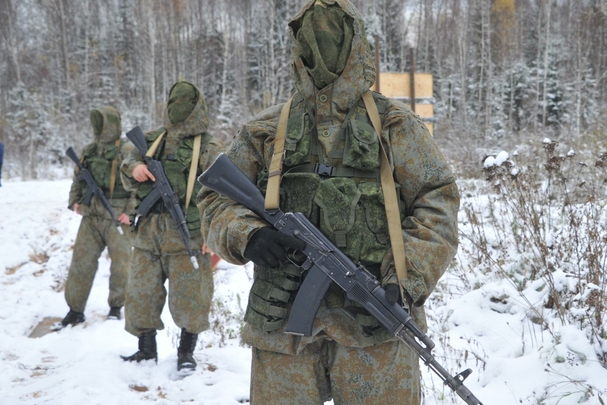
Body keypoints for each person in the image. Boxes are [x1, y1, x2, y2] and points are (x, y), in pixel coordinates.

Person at [198, 0, 460, 403]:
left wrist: (404, 278)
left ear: (356, 48)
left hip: (374, 327)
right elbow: (215, 198)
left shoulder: (394, 125)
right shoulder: (267, 129)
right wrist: (247, 235)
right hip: (282, 324)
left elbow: (437, 202)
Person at [119, 81, 224, 372]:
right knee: (141, 293)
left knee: (192, 297)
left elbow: (225, 192)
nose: (178, 108)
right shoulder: (154, 140)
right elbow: (127, 159)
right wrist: (134, 168)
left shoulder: (208, 146)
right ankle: (146, 349)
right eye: (174, 102)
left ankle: (186, 353)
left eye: (185, 103)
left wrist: (213, 233)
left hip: (188, 235)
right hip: (147, 232)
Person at [59, 106, 133, 328]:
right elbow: (78, 178)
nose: (99, 128)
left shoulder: (127, 150)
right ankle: (75, 309)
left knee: (121, 265)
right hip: (91, 215)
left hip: (117, 215)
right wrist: (74, 201)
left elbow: (140, 185)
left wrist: (130, 211)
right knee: (81, 262)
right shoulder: (90, 150)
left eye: (102, 123)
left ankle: (116, 307)